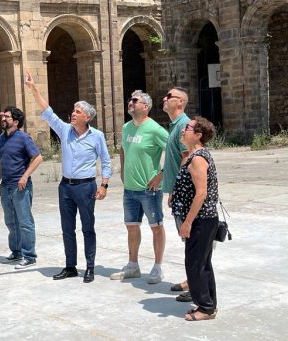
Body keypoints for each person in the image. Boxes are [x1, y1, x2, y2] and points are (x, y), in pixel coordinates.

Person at [25, 71, 112, 283]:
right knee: (67, 229)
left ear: (87, 117)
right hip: (66, 187)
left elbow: (106, 161)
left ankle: (90, 267)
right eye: (73, 110)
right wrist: (33, 88)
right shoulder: (65, 131)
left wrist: (104, 185)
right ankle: (70, 266)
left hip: (86, 187)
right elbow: (48, 112)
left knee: (88, 228)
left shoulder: (97, 136)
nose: (73, 113)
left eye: (78, 111)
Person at [110, 90, 168, 284]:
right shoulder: (127, 127)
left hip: (149, 190)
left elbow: (176, 152)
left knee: (156, 228)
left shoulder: (155, 129)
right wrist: (123, 172)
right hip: (130, 190)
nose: (130, 102)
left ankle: (158, 267)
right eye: (130, 99)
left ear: (146, 107)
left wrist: (161, 175)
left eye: (135, 100)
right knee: (132, 227)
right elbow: (123, 149)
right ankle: (133, 265)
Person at [171, 116, 220, 321]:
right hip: (203, 219)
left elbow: (201, 194)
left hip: (201, 220)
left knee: (195, 264)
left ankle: (205, 308)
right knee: (203, 263)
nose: (183, 130)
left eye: (188, 128)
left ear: (198, 135)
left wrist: (188, 222)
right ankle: (208, 304)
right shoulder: (193, 155)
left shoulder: (198, 158)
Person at [0, 106, 43, 269]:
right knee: (10, 221)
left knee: (25, 222)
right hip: (6, 186)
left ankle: (29, 256)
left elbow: (37, 158)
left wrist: (25, 176)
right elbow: (1, 161)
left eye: (7, 117)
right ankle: (16, 252)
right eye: (3, 116)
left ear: (15, 122)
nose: (3, 119)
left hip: (20, 187)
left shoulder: (23, 138)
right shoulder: (2, 138)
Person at [162, 87, 192, 301]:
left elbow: (186, 158)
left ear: (180, 102)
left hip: (185, 195)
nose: (164, 99)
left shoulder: (183, 125)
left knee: (191, 240)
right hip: (179, 192)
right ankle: (192, 279)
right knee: (187, 241)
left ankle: (195, 285)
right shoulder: (175, 125)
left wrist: (177, 189)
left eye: (169, 97)